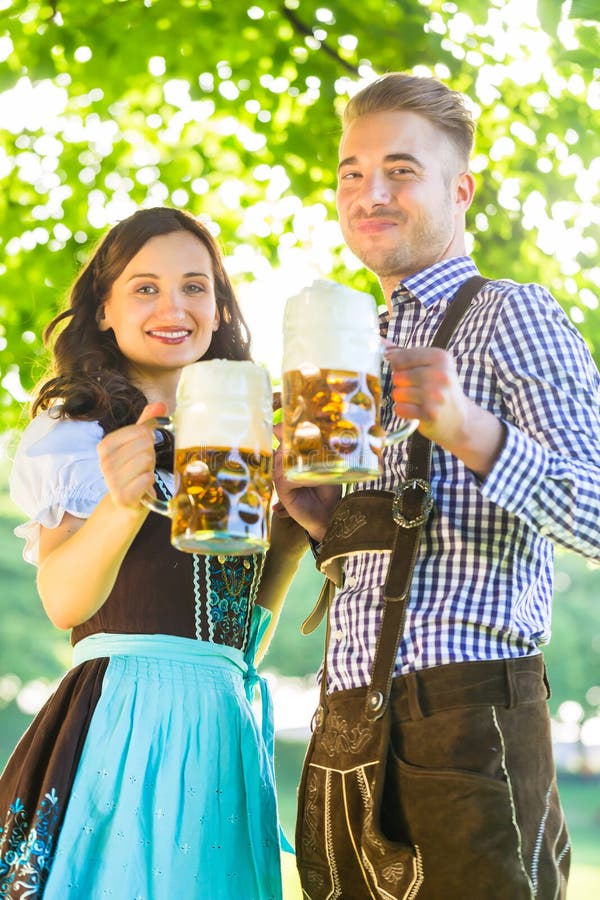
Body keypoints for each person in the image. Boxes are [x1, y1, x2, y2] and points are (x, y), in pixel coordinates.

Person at [275, 73, 600, 898]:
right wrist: (322, 525)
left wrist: (470, 429)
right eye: (351, 172)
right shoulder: (351, 345)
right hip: (346, 727)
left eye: (401, 169)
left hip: (467, 722)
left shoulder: (513, 314)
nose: (369, 192)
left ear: (462, 188)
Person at [0, 206, 307, 899]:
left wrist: (287, 533)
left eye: (196, 287)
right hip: (128, 718)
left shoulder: (242, 436)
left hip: (224, 717)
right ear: (103, 311)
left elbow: (237, 642)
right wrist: (123, 498)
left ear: (221, 307)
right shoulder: (78, 429)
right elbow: (63, 603)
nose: (174, 306)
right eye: (146, 287)